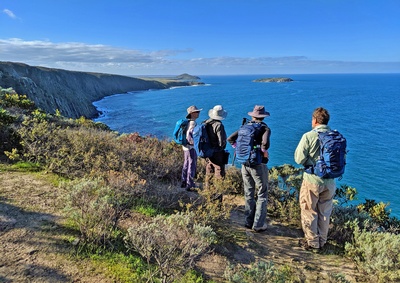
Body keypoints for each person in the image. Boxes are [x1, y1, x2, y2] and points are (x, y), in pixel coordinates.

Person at [294, 107, 336, 250]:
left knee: (309, 209)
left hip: (312, 180)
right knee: (324, 212)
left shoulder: (309, 136)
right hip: (330, 181)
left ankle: (312, 243)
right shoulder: (336, 137)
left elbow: (299, 159)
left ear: (315, 120)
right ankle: (322, 241)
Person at [227, 105, 271, 232]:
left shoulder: (244, 126)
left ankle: (248, 221)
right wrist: (264, 152)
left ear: (253, 115)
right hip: (257, 164)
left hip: (244, 164)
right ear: (263, 116)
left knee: (248, 192)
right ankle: (258, 224)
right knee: (262, 193)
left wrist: (238, 148)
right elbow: (265, 144)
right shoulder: (264, 128)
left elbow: (230, 138)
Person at [204, 105, 228, 191]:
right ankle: (218, 196)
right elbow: (222, 142)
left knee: (209, 171)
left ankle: (208, 193)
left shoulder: (206, 123)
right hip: (217, 152)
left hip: (207, 151)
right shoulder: (218, 125)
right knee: (219, 172)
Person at [181, 105, 202, 191]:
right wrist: (194, 144)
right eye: (197, 112)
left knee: (186, 163)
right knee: (191, 164)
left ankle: (183, 181)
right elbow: (190, 135)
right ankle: (189, 184)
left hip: (185, 147)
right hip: (190, 147)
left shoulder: (188, 122)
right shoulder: (193, 123)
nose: (198, 113)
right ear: (192, 113)